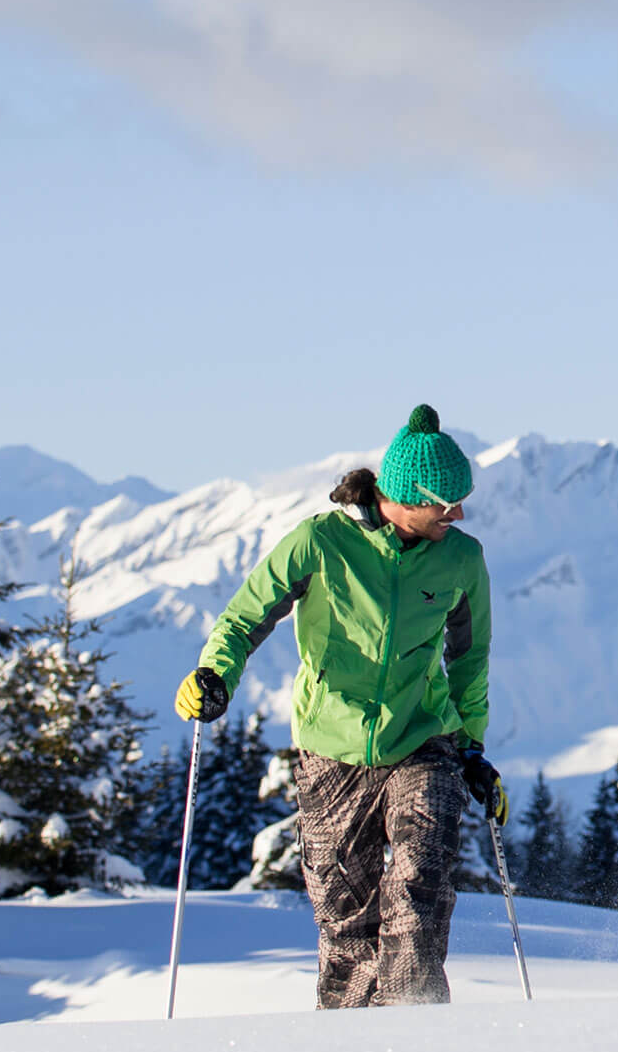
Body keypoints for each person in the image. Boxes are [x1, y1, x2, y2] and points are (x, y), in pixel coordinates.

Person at [174, 403, 503, 1008]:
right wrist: (213, 674)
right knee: (346, 924)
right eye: (444, 503)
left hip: (422, 738)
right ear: (404, 498)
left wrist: (471, 745)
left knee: (420, 890)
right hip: (329, 750)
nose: (457, 514)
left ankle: (418, 1032)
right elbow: (247, 616)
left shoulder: (461, 559)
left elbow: (470, 658)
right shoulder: (320, 543)